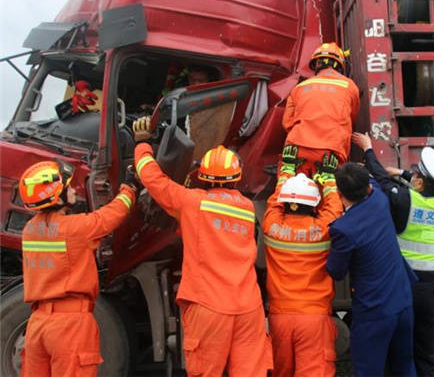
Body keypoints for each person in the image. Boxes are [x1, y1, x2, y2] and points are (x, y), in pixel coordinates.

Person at [131, 116, 272, 377]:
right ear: (237, 176)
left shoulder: (192, 203)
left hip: (209, 305)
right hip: (248, 307)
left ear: (204, 176)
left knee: (206, 371)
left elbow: (153, 179)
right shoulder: (247, 207)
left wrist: (142, 144)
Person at [19, 159, 138, 377]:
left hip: (37, 325)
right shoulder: (74, 229)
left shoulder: (29, 230)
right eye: (68, 186)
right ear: (56, 195)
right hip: (70, 324)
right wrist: (129, 188)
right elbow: (112, 215)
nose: (74, 189)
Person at [352, 132, 434, 377]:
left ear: (420, 183)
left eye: (416, 176)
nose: (414, 177)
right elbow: (422, 185)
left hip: (406, 283)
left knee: (399, 344)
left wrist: (368, 149)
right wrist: (401, 173)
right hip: (433, 287)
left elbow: (381, 181)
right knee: (427, 347)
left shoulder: (407, 201)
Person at [326, 162, 417, 377]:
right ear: (367, 188)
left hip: (374, 311)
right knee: (404, 366)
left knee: (369, 370)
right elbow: (374, 181)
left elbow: (336, 271)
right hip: (403, 302)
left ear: (339, 193)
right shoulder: (379, 199)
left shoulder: (343, 229)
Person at [263, 145, 343, 377]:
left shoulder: (272, 227)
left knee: (282, 372)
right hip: (314, 318)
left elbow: (275, 201)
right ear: (314, 204)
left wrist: (286, 171)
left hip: (280, 317)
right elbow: (334, 207)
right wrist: (327, 179)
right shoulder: (323, 228)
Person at [282, 42, 360, 176]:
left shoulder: (300, 87)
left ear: (316, 64)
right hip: (331, 150)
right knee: (330, 191)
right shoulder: (350, 86)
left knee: (291, 192)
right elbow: (351, 118)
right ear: (339, 65)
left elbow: (287, 123)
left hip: (297, 148)